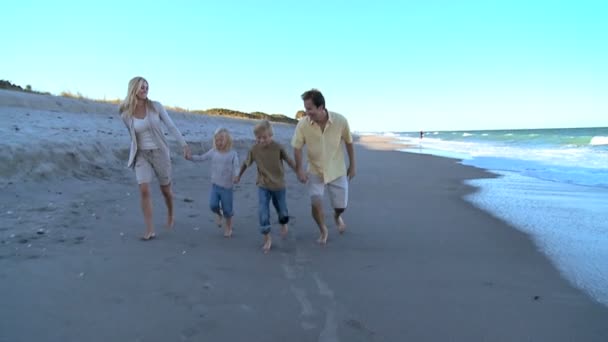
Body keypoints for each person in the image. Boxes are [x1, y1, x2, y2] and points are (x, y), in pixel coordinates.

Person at [119, 76, 191, 241]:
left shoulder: (156, 107)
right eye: (141, 87)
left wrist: (184, 145)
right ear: (133, 89)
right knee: (144, 190)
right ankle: (150, 229)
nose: (145, 89)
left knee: (165, 190)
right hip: (141, 154)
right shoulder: (126, 114)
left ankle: (171, 214)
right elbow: (132, 135)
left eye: (146, 87)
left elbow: (171, 126)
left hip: (159, 152)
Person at [291, 89, 356, 244]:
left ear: (321, 107)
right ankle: (323, 229)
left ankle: (337, 216)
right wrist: (299, 169)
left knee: (341, 206)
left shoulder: (340, 121)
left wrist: (353, 165)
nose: (306, 112)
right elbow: (297, 147)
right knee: (316, 202)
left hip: (337, 170)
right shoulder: (303, 125)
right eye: (305, 108)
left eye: (309, 109)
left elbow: (349, 142)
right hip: (315, 170)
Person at [236, 120, 296, 253]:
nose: (261, 140)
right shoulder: (254, 150)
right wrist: (238, 175)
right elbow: (246, 164)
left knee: (282, 211)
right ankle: (267, 237)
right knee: (263, 210)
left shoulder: (278, 147)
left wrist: (299, 172)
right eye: (258, 138)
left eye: (265, 137)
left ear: (271, 135)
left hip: (279, 185)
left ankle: (283, 222)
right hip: (263, 185)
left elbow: (289, 161)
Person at [189, 127, 240, 238]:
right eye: (216, 140)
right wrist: (190, 157)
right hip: (215, 186)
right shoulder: (213, 152)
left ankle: (229, 227)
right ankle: (218, 213)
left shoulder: (232, 154)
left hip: (227, 187)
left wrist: (236, 175)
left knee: (228, 210)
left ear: (228, 140)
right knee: (213, 205)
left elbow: (236, 167)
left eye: (221, 140)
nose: (218, 142)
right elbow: (202, 157)